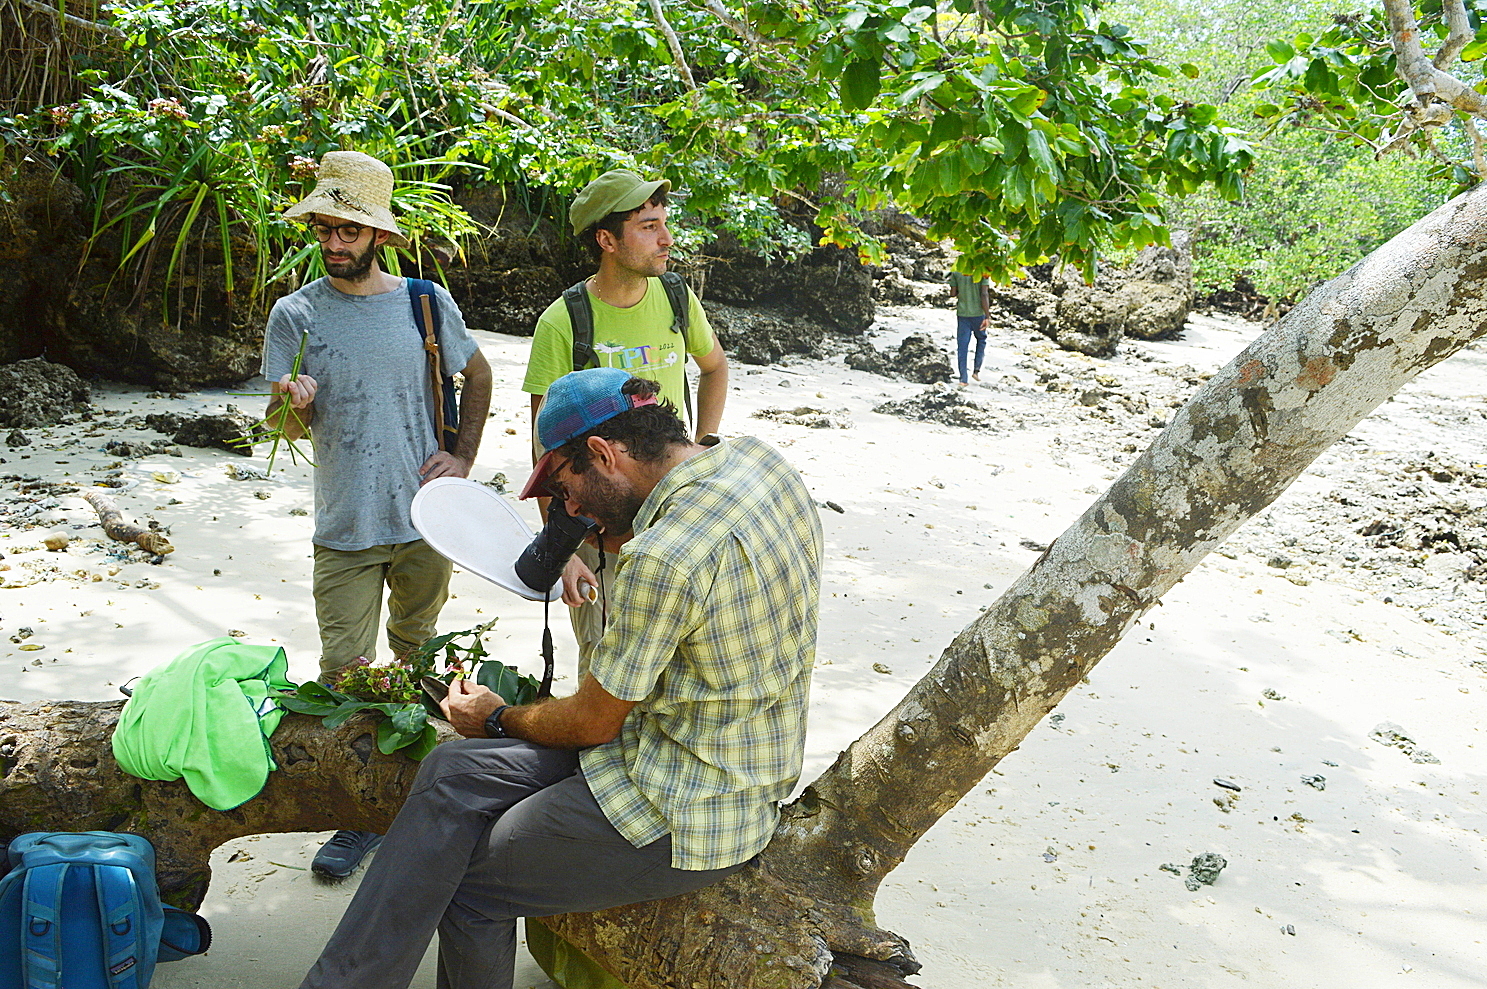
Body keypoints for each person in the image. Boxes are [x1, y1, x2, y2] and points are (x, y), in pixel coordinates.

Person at [296, 367, 822, 989]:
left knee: (467, 889)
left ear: (603, 453)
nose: (568, 507)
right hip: (685, 745)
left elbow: (594, 721)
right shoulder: (759, 464)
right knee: (450, 774)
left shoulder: (665, 558)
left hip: (689, 805)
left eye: (567, 484)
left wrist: (492, 717)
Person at [262, 150, 492, 879]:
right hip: (345, 525)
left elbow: (477, 375)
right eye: (325, 228)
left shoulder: (425, 302)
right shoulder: (294, 314)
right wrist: (286, 405)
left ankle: (414, 803)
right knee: (342, 675)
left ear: (380, 236)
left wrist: (460, 455)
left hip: (427, 519)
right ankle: (352, 816)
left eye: (349, 231)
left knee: (420, 657)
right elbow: (283, 431)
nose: (333, 243)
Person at [523, 169, 728, 660]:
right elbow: (546, 450)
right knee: (606, 660)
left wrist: (707, 444)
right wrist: (565, 550)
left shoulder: (677, 296)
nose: (667, 238)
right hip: (604, 523)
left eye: (664, 222)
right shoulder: (564, 321)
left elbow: (715, 367)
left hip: (678, 513)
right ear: (606, 239)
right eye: (648, 226)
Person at [947, 269, 991, 386]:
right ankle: (976, 371)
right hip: (978, 314)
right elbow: (984, 294)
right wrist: (987, 316)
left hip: (963, 314)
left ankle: (963, 379)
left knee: (962, 346)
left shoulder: (956, 272)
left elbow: (952, 293)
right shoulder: (983, 272)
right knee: (981, 339)